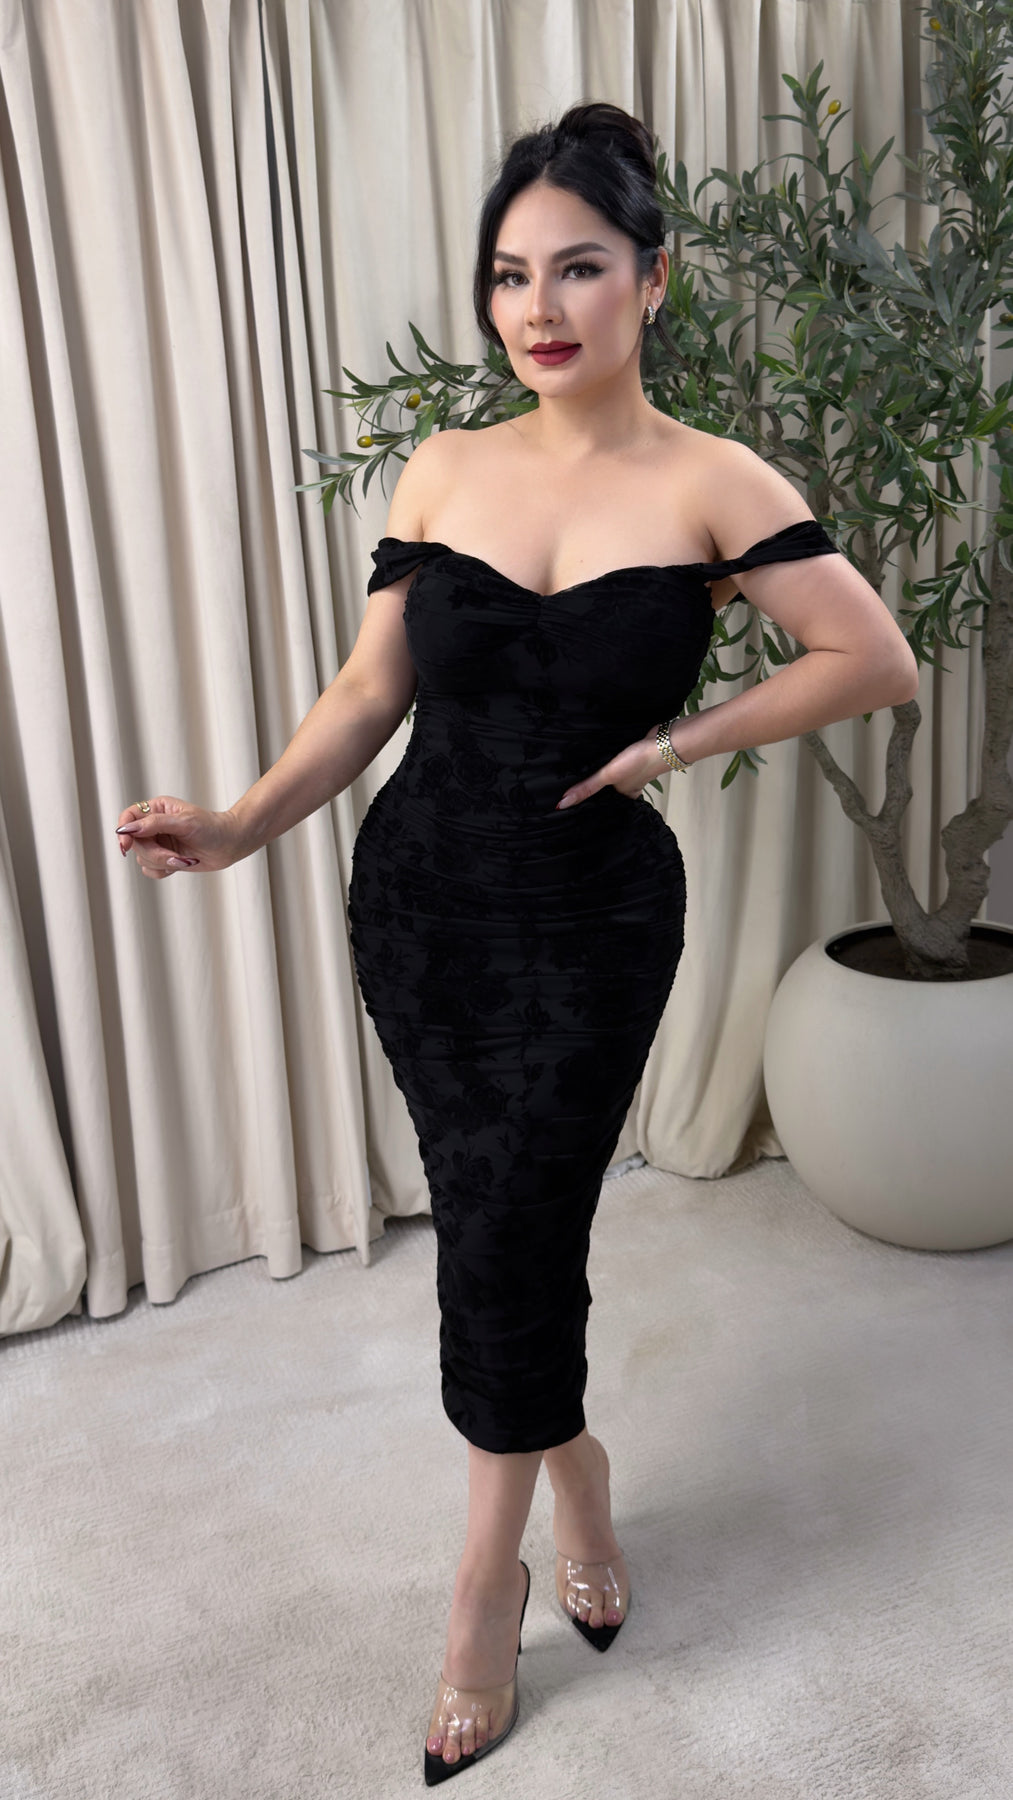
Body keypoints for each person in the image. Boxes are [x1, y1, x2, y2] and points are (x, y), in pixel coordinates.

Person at [115, 102, 917, 1784]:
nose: (537, 308)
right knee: (492, 1221)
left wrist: (673, 746)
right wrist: (243, 823)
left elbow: (871, 657)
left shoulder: (713, 479)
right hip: (421, 904)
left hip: (595, 916)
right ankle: (576, 1475)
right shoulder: (446, 468)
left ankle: (483, 1588)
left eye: (577, 268)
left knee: (513, 1229)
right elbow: (369, 691)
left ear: (653, 279)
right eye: (507, 276)